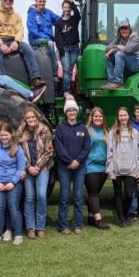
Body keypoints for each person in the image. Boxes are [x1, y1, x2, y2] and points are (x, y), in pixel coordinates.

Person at [0, 0, 46, 91]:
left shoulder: (16, 16)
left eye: (10, 0)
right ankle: (1, 84)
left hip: (12, 40)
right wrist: (1, 44)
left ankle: (35, 79)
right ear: (1, 0)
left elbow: (20, 30)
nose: (7, 1)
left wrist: (16, 42)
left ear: (13, 1)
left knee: (28, 48)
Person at [0, 122, 27, 245]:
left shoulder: (17, 148)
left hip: (13, 183)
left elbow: (21, 168)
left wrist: (13, 182)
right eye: (2, 135)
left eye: (6, 135)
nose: (4, 138)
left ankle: (19, 235)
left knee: (13, 207)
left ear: (11, 135)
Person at [54, 99, 91, 234]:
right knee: (64, 196)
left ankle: (77, 225)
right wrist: (70, 161)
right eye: (69, 110)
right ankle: (63, 225)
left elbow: (86, 147)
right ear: (65, 112)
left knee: (78, 196)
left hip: (79, 167)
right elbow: (59, 147)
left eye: (74, 110)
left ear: (77, 111)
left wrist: (78, 161)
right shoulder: (60, 128)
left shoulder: (83, 128)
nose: (72, 112)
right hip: (64, 167)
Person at [106, 107, 139, 227]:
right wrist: (110, 170)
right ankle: (122, 218)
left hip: (131, 170)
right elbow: (110, 151)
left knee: (129, 194)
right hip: (117, 170)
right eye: (120, 115)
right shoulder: (113, 132)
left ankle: (124, 214)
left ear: (128, 116)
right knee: (118, 193)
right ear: (118, 117)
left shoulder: (135, 133)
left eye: (125, 115)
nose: (123, 117)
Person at [19, 106, 54, 238]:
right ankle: (30, 227)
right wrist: (28, 167)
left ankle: (40, 227)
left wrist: (38, 166)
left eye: (32, 117)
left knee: (41, 195)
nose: (31, 119)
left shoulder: (44, 130)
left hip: (43, 168)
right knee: (29, 197)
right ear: (25, 119)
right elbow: (19, 152)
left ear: (36, 118)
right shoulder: (21, 132)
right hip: (28, 169)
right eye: (28, 118)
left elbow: (49, 151)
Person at [83, 107, 112, 230]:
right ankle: (98, 219)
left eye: (100, 116)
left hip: (103, 166)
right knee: (94, 193)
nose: (98, 118)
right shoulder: (87, 131)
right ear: (91, 118)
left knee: (94, 192)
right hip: (90, 166)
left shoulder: (106, 130)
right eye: (95, 116)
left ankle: (90, 217)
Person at [101, 20, 139, 90]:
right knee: (109, 56)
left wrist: (115, 48)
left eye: (126, 28)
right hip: (128, 62)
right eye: (122, 29)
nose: (124, 30)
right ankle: (111, 82)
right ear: (119, 30)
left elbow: (128, 50)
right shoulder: (118, 39)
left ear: (129, 29)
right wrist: (116, 48)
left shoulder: (135, 38)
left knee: (119, 54)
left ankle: (118, 82)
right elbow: (107, 48)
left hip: (137, 63)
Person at [27, 0, 63, 74]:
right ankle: (55, 73)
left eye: (44, 1)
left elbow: (59, 20)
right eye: (40, 1)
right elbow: (32, 30)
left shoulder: (48, 12)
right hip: (35, 39)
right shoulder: (32, 14)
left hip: (47, 39)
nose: (42, 3)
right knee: (50, 44)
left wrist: (66, 13)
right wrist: (46, 37)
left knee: (58, 43)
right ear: (36, 2)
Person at [55, 0, 82, 94]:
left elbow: (78, 14)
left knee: (70, 71)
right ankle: (67, 91)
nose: (67, 9)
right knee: (66, 70)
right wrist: (61, 50)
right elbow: (57, 38)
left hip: (75, 48)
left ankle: (68, 89)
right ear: (62, 8)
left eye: (68, 7)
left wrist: (72, 3)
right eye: (65, 7)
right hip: (65, 50)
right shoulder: (58, 23)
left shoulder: (74, 19)